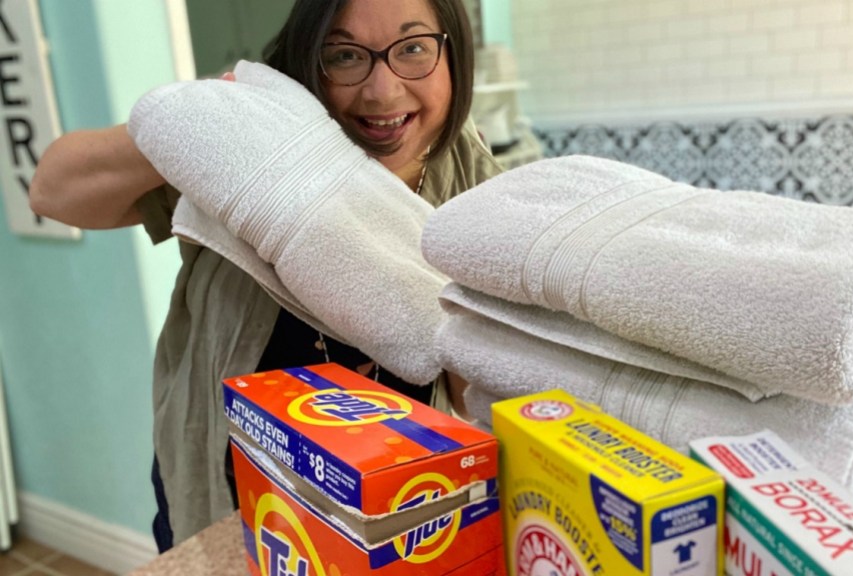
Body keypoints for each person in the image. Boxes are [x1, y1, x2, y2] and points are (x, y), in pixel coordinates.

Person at [29, 0, 503, 552]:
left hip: (399, 514)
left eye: (414, 48)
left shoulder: (473, 178)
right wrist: (196, 123)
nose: (383, 91)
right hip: (226, 495)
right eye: (345, 55)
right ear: (307, 60)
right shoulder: (251, 151)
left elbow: (484, 372)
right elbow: (53, 191)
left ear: (454, 54)